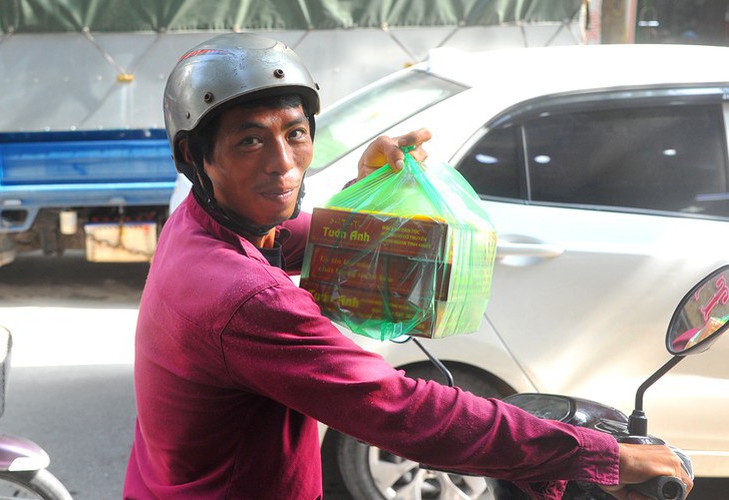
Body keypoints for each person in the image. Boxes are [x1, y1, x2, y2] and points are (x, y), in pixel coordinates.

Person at [123, 33, 692, 500]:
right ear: (195, 159)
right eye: (249, 142)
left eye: (295, 134)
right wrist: (600, 455)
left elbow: (318, 240)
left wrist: (370, 189)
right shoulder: (245, 299)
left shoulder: (199, 227)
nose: (283, 164)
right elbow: (397, 408)